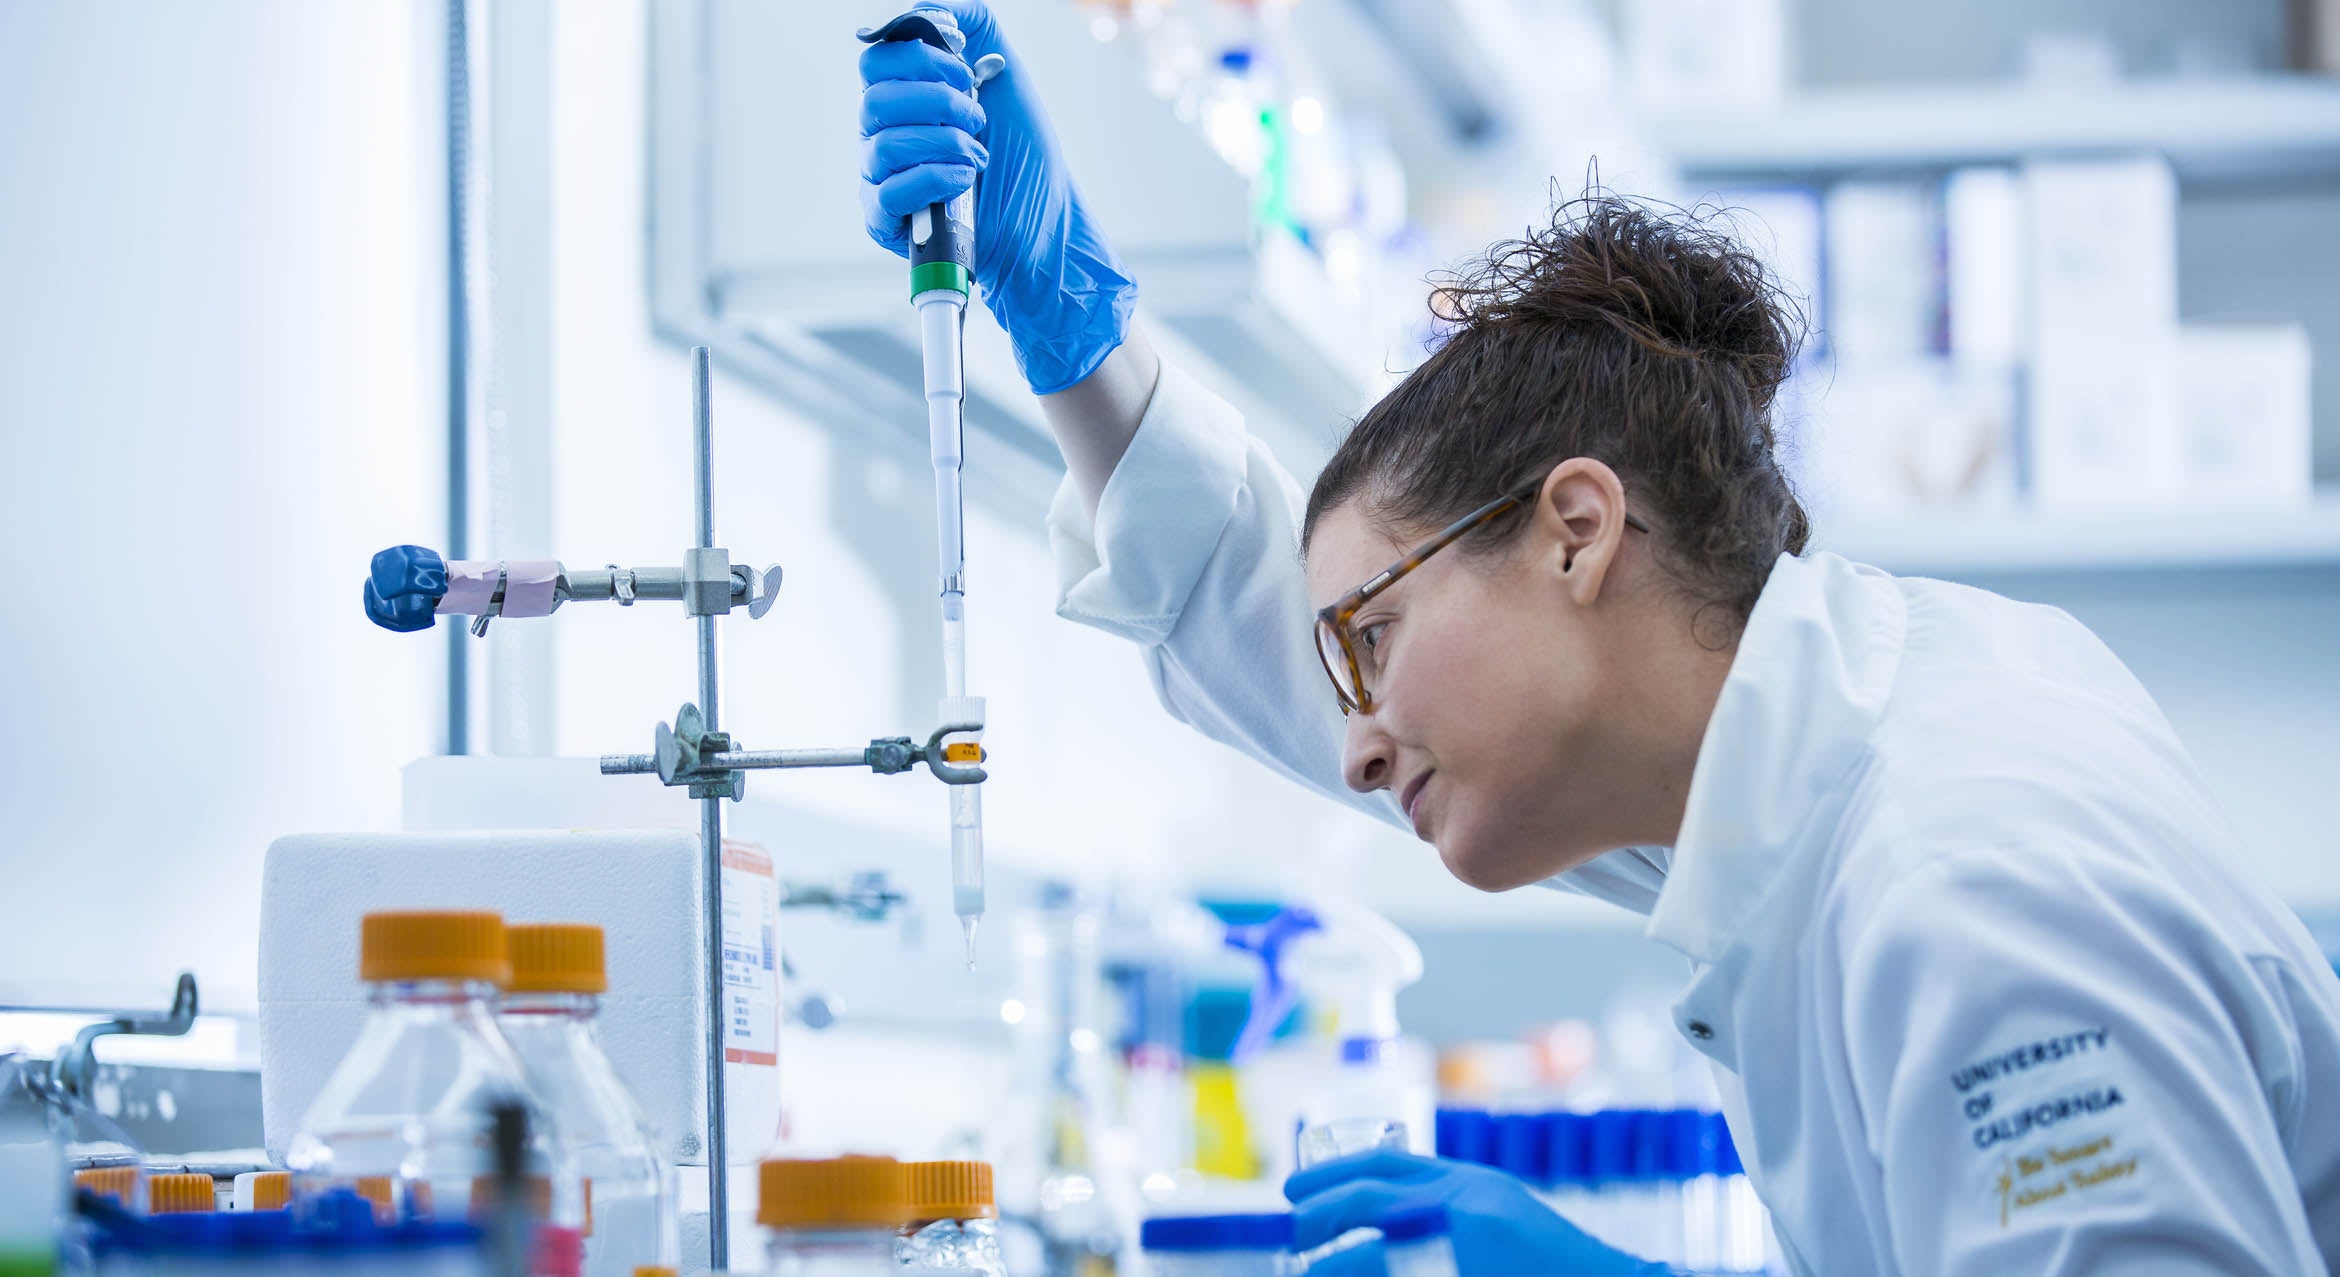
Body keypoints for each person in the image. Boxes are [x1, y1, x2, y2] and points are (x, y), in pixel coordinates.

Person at [859, 6, 2340, 1273]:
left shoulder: (1965, 882)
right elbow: (1281, 625)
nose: (1359, 745)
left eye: (1373, 642)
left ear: (1576, 530)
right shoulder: (1807, 739)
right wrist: (1068, 323)